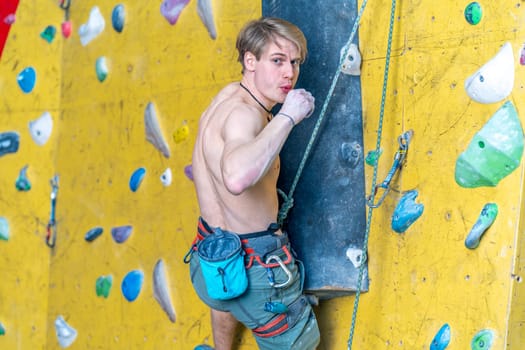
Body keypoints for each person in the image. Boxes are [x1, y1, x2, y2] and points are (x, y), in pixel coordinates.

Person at [186, 17, 320, 350]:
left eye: (294, 62)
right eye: (277, 61)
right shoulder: (244, 115)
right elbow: (236, 177)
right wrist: (289, 116)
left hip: (212, 265)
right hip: (258, 274)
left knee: (230, 300)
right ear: (250, 61)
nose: (289, 73)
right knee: (303, 343)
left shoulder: (228, 96)